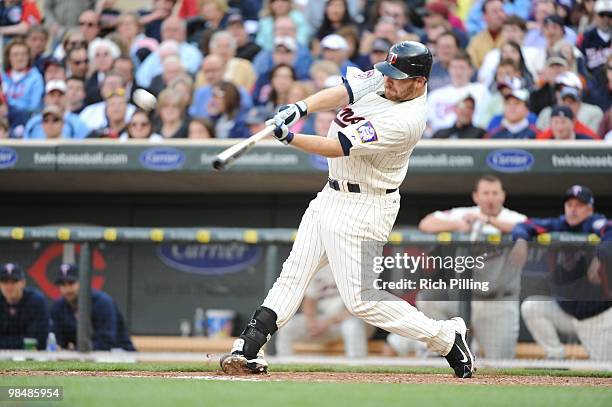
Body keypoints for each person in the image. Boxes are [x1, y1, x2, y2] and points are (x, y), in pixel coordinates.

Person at [219, 41, 475, 379]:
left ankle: (445, 336)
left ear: (420, 82)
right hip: (331, 194)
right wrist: (299, 107)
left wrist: (291, 137)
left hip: (366, 206)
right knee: (294, 273)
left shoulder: (407, 120)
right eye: (389, 73)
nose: (388, 81)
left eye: (398, 78)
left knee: (361, 300)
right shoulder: (387, 78)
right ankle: (249, 348)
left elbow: (336, 147)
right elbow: (342, 91)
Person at [511, 186, 612, 360]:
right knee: (532, 307)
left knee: (605, 371)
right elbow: (526, 225)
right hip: (566, 312)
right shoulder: (558, 225)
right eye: (570, 204)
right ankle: (556, 356)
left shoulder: (594, 223)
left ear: (590, 209)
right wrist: (520, 240)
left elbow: (610, 230)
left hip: (597, 318)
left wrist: (600, 256)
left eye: (579, 205)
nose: (573, 209)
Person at [276, 266, 375, 358]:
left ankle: (356, 367)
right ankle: (286, 366)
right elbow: (309, 300)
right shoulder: (321, 266)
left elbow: (360, 308)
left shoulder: (358, 267)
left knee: (351, 326)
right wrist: (311, 321)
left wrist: (328, 322)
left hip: (357, 321)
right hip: (326, 322)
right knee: (286, 326)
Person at [51, 264, 135, 351]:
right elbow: (58, 340)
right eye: (62, 284)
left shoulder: (102, 303)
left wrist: (75, 350)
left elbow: (106, 341)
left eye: (71, 283)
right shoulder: (59, 307)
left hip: (118, 351)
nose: (67, 289)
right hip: (83, 355)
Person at [0, 262, 49, 350]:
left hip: (30, 358)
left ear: (23, 283)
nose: (9, 286)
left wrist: (5, 342)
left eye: (14, 281)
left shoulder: (36, 301)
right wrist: (22, 341)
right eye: (5, 282)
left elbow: (37, 341)